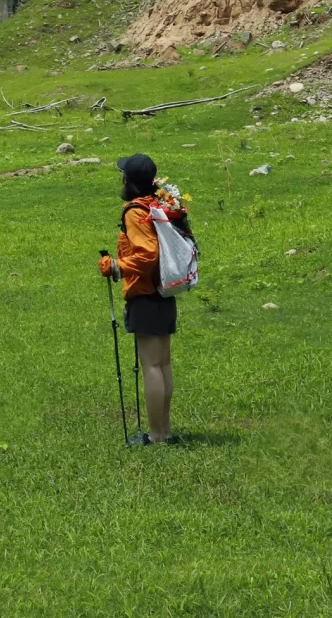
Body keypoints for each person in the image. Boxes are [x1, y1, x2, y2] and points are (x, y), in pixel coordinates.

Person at [98, 152, 192, 446]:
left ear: (129, 181)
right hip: (165, 290)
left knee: (152, 365)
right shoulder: (157, 204)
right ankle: (164, 432)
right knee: (162, 364)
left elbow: (147, 254)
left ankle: (157, 435)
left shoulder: (134, 211)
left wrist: (117, 266)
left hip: (146, 292)